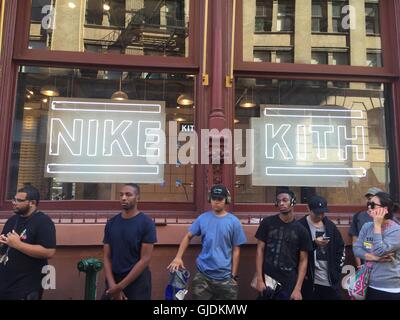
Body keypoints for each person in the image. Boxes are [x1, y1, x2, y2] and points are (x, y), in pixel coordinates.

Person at [168, 185, 246, 300]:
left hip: (226, 277)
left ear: (226, 200)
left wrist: (233, 276)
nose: (216, 202)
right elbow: (188, 236)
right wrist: (178, 257)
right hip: (203, 276)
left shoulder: (234, 222)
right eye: (214, 199)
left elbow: (236, 250)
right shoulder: (202, 219)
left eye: (220, 199)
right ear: (210, 199)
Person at [0, 185, 56, 300]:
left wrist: (18, 245)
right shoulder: (13, 220)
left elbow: (49, 252)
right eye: (13, 199)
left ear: (32, 203)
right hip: (6, 282)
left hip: (27, 285)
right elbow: (5, 246)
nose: (14, 203)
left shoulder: (43, 222)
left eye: (19, 200)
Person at [255, 189, 312, 300]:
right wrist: (259, 279)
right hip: (268, 278)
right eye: (279, 201)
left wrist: (297, 289)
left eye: (285, 200)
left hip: (289, 281)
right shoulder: (267, 223)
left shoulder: (301, 230)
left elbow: (303, 260)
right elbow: (259, 251)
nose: (281, 203)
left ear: (293, 202)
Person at [103, 183, 157, 300]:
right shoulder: (111, 223)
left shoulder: (146, 223)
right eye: (121, 195)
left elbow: (145, 259)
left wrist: (120, 287)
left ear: (137, 198)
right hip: (114, 280)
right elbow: (107, 257)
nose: (123, 198)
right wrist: (113, 286)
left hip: (137, 283)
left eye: (128, 195)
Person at [353, 191, 400, 300]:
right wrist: (375, 258)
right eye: (368, 204)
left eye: (373, 205)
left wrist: (377, 225)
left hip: (390, 289)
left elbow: (380, 250)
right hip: (370, 284)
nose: (369, 207)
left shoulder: (396, 231)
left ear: (385, 209)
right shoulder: (367, 226)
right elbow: (356, 249)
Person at [299, 195, 345, 300]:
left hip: (329, 280)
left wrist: (336, 270)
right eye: (316, 213)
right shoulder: (300, 226)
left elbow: (340, 248)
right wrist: (314, 243)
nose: (320, 216)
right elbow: (295, 251)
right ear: (308, 209)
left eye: (322, 213)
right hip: (309, 282)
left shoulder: (330, 226)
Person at [349, 187, 382, 269]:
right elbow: (355, 241)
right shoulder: (359, 217)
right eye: (368, 199)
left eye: (372, 199)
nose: (370, 201)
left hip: (383, 264)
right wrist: (359, 264)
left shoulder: (388, 219)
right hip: (366, 263)